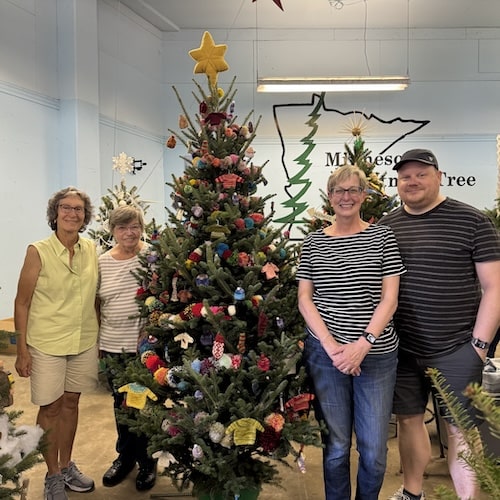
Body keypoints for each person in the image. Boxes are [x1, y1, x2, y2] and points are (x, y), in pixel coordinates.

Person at [380, 149, 500, 500]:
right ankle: (411, 493)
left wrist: (478, 346)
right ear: (398, 183)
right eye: (405, 176)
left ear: (439, 176)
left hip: (457, 349)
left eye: (421, 174)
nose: (412, 181)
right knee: (408, 421)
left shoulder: (473, 221)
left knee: (460, 429)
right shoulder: (388, 227)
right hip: (402, 349)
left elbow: (494, 287)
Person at [297, 164, 406, 500]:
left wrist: (363, 344)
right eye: (339, 191)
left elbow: (390, 298)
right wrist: (332, 347)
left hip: (376, 355)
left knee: (373, 451)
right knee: (336, 447)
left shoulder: (382, 236)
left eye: (353, 190)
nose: (346, 197)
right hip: (326, 357)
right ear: (330, 197)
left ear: (363, 195)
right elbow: (305, 299)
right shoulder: (313, 242)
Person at [14, 187, 98, 500]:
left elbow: (95, 297)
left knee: (72, 403)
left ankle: (65, 465)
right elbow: (22, 302)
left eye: (78, 209)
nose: (72, 213)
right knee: (50, 406)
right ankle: (52, 476)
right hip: (47, 342)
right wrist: (22, 350)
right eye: (66, 207)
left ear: (85, 216)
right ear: (55, 212)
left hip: (84, 339)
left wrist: (100, 334)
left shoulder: (91, 248)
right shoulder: (38, 250)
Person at [96, 205, 157, 491]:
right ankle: (125, 458)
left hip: (143, 347)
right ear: (113, 231)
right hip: (110, 345)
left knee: (143, 405)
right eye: (122, 228)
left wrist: (150, 331)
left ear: (141, 227)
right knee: (120, 405)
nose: (129, 233)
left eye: (134, 226)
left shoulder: (152, 257)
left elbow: (161, 297)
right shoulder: (103, 262)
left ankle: (148, 460)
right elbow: (97, 303)